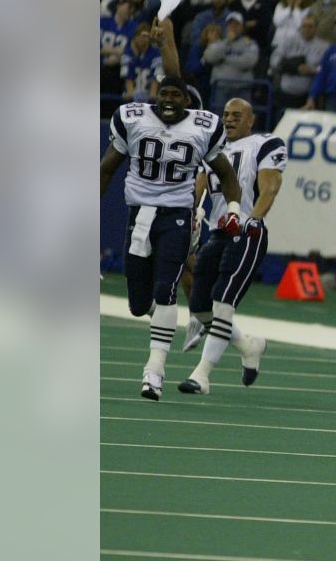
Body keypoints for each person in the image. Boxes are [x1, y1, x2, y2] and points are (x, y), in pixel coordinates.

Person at [100, 75, 243, 401]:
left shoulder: (203, 126)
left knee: (166, 289)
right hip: (139, 214)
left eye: (175, 95)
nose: (167, 99)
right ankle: (165, 326)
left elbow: (227, 176)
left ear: (187, 101)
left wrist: (233, 210)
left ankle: (154, 372)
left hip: (176, 216)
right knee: (138, 304)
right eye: (162, 93)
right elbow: (106, 168)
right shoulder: (134, 119)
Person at [177, 98, 281, 393]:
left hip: (247, 231)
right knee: (200, 307)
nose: (230, 119)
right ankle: (248, 346)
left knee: (223, 303)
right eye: (225, 115)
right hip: (219, 231)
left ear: (251, 121)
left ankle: (201, 375)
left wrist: (254, 218)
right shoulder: (213, 147)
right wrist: (193, 213)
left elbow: (271, 186)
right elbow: (197, 186)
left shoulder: (265, 143)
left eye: (237, 115)